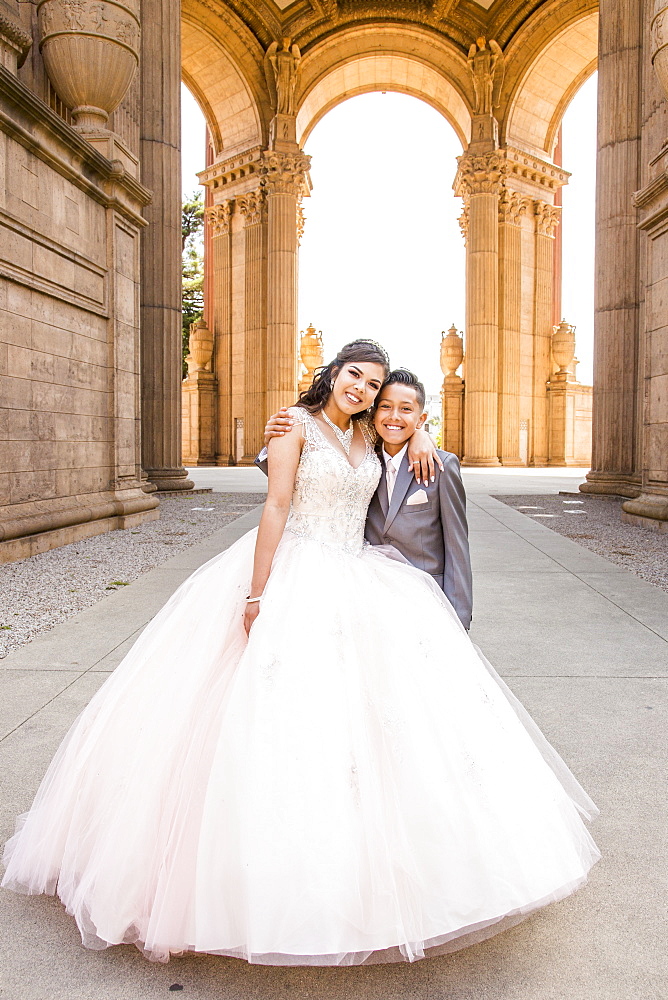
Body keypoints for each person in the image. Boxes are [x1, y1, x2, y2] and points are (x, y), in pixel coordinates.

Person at [2, 339, 600, 967]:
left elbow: (399, 440)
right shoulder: (294, 424)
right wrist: (258, 591)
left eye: (374, 386)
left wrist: (422, 436)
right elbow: (277, 501)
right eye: (356, 378)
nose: (364, 392)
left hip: (358, 574)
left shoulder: (372, 436)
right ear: (333, 371)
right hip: (292, 572)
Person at [258, 368, 472, 629]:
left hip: (425, 593)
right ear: (373, 413)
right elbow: (306, 478)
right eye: (385, 407)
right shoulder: (367, 460)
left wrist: (459, 616)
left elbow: (457, 545)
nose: (394, 416)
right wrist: (272, 437)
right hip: (368, 587)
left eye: (406, 409)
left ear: (421, 418)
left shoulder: (440, 465)